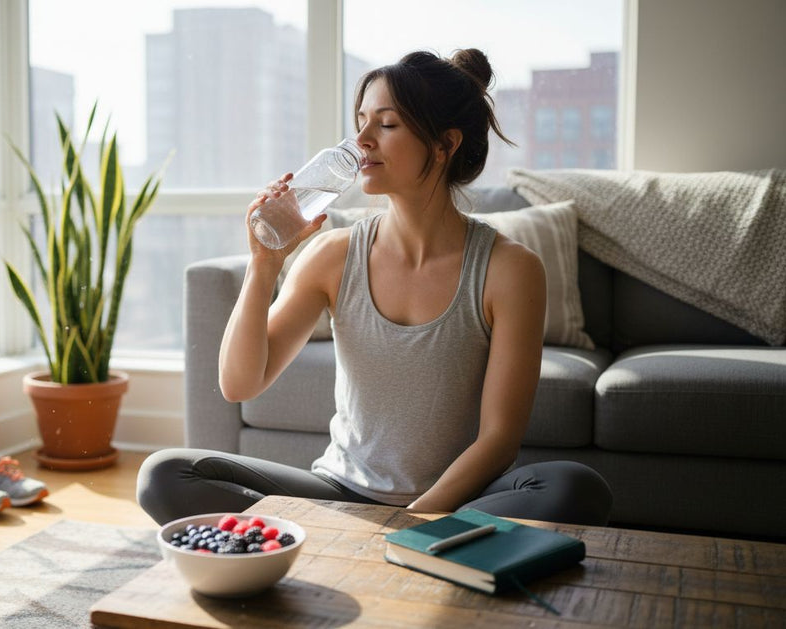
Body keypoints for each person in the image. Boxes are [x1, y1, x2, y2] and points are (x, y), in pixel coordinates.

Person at [137, 49, 612, 527]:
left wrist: (412, 521)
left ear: (445, 143)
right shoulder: (333, 255)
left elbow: (500, 439)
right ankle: (420, 557)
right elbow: (239, 384)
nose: (361, 141)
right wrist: (264, 265)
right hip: (340, 495)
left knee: (575, 486)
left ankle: (362, 549)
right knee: (166, 474)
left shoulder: (509, 269)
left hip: (456, 505)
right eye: (361, 122)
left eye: (386, 125)